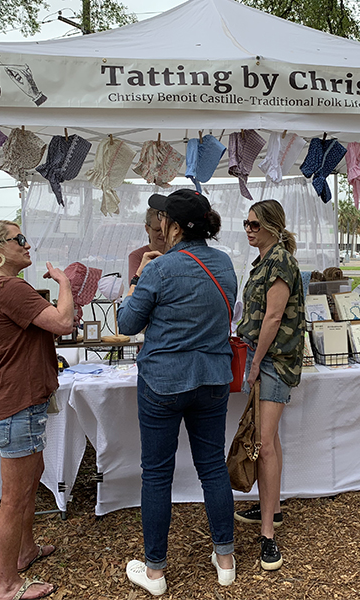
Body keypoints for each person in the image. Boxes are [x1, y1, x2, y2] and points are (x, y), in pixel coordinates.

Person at [117, 189, 237, 596]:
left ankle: (155, 572)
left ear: (173, 225)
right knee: (212, 467)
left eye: (162, 218)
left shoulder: (160, 269)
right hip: (213, 378)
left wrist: (137, 278)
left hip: (163, 381)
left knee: (157, 474)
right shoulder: (224, 264)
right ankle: (224, 559)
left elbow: (128, 323)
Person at [0, 220, 75, 600]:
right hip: (16, 404)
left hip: (20, 401)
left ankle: (26, 550)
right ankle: (7, 585)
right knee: (15, 496)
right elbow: (62, 322)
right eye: (20, 240)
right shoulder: (8, 287)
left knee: (33, 476)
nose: (27, 245)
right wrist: (64, 283)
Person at [234, 199, 305, 571]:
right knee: (270, 439)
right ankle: (271, 511)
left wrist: (256, 362)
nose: (249, 229)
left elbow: (274, 316)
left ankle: (267, 536)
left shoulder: (279, 261)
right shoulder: (265, 259)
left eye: (255, 225)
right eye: (246, 224)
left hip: (275, 360)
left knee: (263, 444)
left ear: (273, 227)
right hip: (267, 358)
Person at [128, 207, 166, 282]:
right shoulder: (137, 256)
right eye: (157, 230)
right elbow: (134, 287)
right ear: (147, 229)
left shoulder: (179, 252)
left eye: (165, 229)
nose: (162, 234)